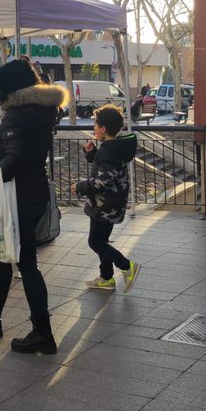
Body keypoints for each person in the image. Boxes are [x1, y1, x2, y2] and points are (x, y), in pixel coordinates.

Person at [0, 60, 67, 354]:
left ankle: (42, 332)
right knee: (4, 257)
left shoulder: (17, 115)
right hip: (34, 191)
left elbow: (14, 158)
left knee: (26, 264)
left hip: (17, 196)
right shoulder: (42, 110)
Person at [79, 104, 140, 292]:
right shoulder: (113, 148)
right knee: (101, 240)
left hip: (105, 204)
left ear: (103, 129)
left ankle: (126, 266)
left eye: (95, 125)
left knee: (95, 242)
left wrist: (80, 186)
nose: (94, 128)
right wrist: (92, 155)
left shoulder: (108, 150)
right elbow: (107, 168)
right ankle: (106, 278)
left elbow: (103, 180)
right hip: (109, 202)